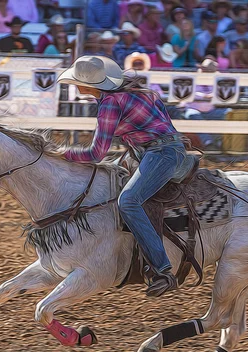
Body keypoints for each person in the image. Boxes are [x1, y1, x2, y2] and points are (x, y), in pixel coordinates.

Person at [56, 55, 193, 297]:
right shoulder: (136, 91)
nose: (75, 85)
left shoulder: (109, 103)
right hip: (164, 149)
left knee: (128, 201)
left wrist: (64, 154)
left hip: (158, 153)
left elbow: (97, 153)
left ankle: (162, 268)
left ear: (87, 86)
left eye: (77, 81)